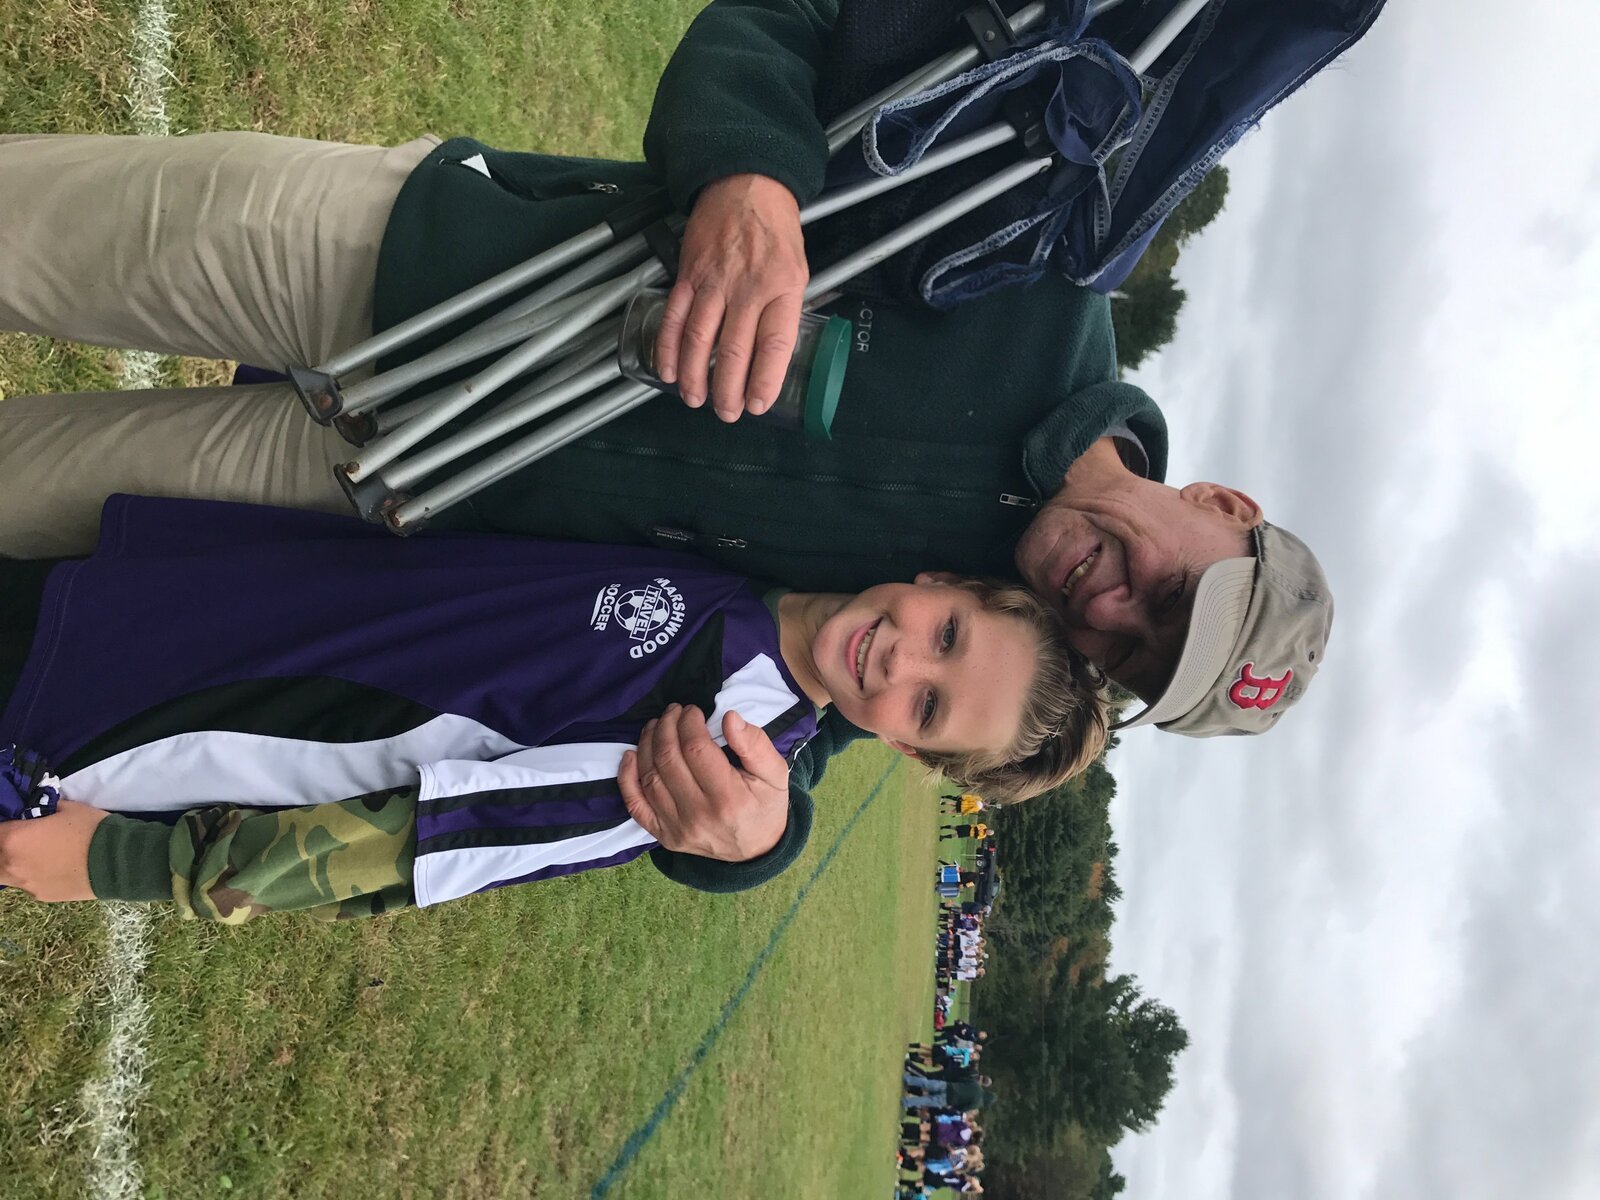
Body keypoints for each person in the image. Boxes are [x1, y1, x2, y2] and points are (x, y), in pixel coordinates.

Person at [0, 0, 1335, 869]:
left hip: (380, 498)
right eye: (1169, 594)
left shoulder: (971, 631)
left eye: (1132, 655)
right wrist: (750, 180)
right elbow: (796, 23)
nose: (1111, 611)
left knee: (25, 500)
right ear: (1221, 505)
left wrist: (753, 840)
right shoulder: (1039, 276)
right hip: (406, 263)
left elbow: (797, 731)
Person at [0, 496, 1106, 916]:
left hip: (121, 723)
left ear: (905, 748)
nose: (900, 660)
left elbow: (414, 847)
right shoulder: (755, 564)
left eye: (927, 706)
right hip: (170, 603)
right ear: (941, 582)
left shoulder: (701, 768)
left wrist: (127, 864)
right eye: (947, 635)